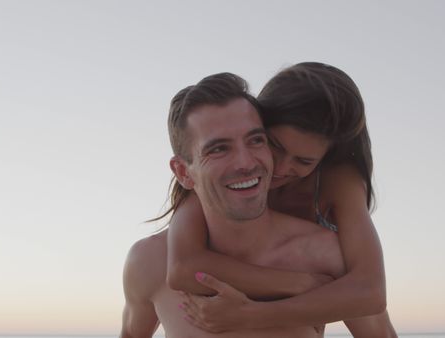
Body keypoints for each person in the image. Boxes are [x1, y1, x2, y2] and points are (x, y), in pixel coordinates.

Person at [164, 62, 397, 337]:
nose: (283, 168)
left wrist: (252, 316)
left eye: (304, 161)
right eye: (274, 145)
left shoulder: (338, 181)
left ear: (326, 157)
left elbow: (370, 293)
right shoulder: (223, 180)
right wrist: (302, 284)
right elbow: (182, 268)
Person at [120, 72, 347, 338]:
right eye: (218, 149)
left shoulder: (321, 253)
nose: (246, 162)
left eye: (256, 140)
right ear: (183, 173)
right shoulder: (149, 261)